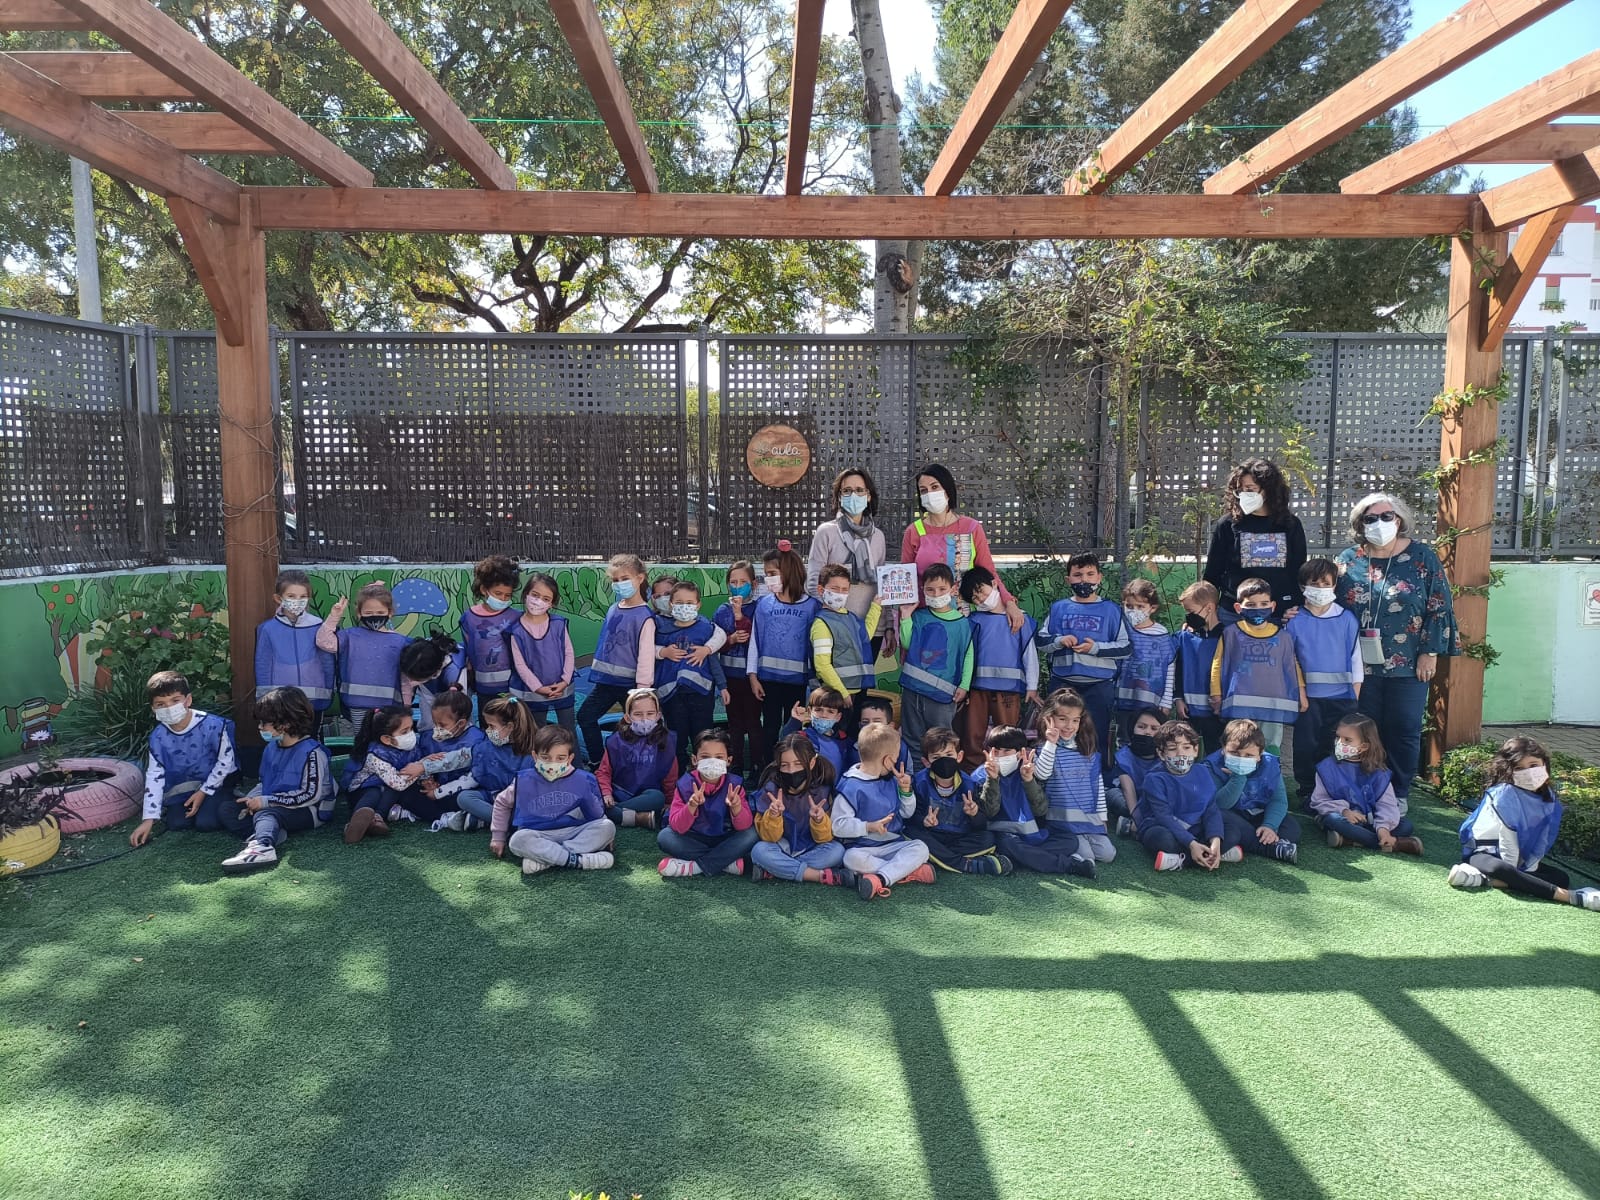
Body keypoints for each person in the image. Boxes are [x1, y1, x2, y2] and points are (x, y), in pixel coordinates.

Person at [1334, 492, 1459, 801]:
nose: (1379, 523)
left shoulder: (1422, 557)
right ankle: (1364, 787)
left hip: (1408, 661)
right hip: (1359, 663)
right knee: (1363, 728)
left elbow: (1439, 606)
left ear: (1400, 519)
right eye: (1370, 518)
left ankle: (1398, 792)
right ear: (1360, 524)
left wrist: (1429, 653)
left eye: (1386, 516)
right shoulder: (1349, 560)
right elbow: (1330, 606)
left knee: (1403, 727)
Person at [1449, 736, 1599, 909]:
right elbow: (1508, 841)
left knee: (1562, 877)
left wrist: (1529, 868)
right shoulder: (1504, 794)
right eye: (1519, 768)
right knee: (1502, 869)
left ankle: (1481, 880)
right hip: (1485, 855)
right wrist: (1516, 872)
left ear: (1544, 764)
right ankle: (1571, 897)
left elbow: (1543, 837)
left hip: (1521, 860)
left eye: (1534, 765)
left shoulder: (1548, 797)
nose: (1528, 772)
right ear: (1509, 772)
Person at [900, 463, 1027, 633]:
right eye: (923, 490)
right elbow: (904, 580)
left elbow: (989, 572)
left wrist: (1009, 602)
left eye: (935, 487)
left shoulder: (971, 528)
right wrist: (899, 623)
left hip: (964, 617)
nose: (929, 494)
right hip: (924, 619)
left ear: (948, 489)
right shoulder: (914, 532)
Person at [221, 686, 337, 872]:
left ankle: (263, 845)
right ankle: (274, 832)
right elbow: (265, 782)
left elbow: (310, 795)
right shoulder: (271, 748)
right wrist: (252, 799)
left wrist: (266, 802)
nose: (260, 727)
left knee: (268, 813)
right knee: (227, 809)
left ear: (286, 724)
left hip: (310, 810)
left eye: (264, 723)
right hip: (275, 803)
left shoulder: (312, 752)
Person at [1037, 552, 1129, 776]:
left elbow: (1125, 647)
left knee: (1094, 735)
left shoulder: (1112, 610)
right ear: (1068, 579)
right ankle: (1054, 778)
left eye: (1090, 574)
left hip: (1099, 686)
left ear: (1100, 577)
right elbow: (1040, 640)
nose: (1084, 580)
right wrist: (1059, 641)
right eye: (1077, 575)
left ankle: (1096, 781)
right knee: (1056, 733)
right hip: (1063, 685)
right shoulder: (1058, 608)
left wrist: (1095, 648)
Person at [129, 671, 243, 847]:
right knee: (177, 823)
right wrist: (149, 819)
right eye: (160, 704)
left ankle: (228, 799)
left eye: (175, 701)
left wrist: (204, 792)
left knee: (207, 823)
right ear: (153, 708)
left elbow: (226, 762)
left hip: (217, 783)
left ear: (188, 700)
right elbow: (155, 775)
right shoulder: (158, 737)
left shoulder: (214, 725)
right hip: (184, 786)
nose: (168, 708)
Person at [488, 724, 616, 875]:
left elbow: (597, 815)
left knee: (607, 826)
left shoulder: (582, 779)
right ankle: (579, 861)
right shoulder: (524, 780)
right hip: (538, 833)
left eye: (560, 758)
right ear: (535, 756)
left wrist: (608, 835)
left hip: (573, 830)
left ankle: (546, 860)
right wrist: (498, 837)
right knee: (517, 840)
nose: (552, 764)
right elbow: (502, 802)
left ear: (570, 759)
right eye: (546, 758)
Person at [1287, 557, 1362, 801]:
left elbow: (1355, 659)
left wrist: (1355, 697)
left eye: (1326, 583)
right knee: (1306, 747)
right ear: (1302, 587)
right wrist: (1299, 695)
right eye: (1314, 583)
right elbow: (1290, 662)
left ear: (1334, 586)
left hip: (1342, 699)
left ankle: (1334, 790)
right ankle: (1307, 791)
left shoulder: (1347, 619)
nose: (1320, 589)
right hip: (1308, 700)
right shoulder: (1293, 621)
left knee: (1336, 747)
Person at [832, 722, 934, 900]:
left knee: (921, 848)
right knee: (850, 859)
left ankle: (879, 878)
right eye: (896, 757)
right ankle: (905, 872)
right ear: (887, 760)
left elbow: (906, 813)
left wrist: (906, 792)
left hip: (893, 844)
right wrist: (868, 826)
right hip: (862, 848)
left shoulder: (892, 779)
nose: (897, 761)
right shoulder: (850, 786)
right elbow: (838, 826)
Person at [976, 724, 1094, 877]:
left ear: (1019, 753)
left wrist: (1029, 780)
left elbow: (1041, 810)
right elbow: (990, 812)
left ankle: (1018, 859)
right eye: (996, 751)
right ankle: (1069, 865)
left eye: (1006, 751)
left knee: (1070, 840)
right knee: (1009, 844)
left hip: (1031, 836)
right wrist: (992, 779)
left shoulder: (1027, 770)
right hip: (1003, 836)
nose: (1000, 756)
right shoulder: (980, 775)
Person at [1210, 577, 1306, 753]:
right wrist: (1216, 694)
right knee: (1239, 745)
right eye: (1251, 605)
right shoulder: (1230, 633)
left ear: (1273, 606)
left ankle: (1271, 779)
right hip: (1240, 703)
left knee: (1270, 748)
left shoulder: (1283, 636)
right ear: (1238, 608)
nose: (1258, 609)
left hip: (1273, 704)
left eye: (1264, 603)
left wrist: (1301, 693)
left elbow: (1291, 666)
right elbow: (1218, 663)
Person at [576, 553, 655, 767]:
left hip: (630, 687)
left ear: (640, 578)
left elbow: (647, 656)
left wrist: (642, 691)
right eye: (615, 580)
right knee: (585, 717)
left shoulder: (645, 616)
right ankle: (599, 764)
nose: (620, 584)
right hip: (606, 683)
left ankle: (645, 767)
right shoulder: (613, 608)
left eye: (625, 578)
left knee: (640, 728)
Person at [958, 565, 1040, 771]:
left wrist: (1032, 686)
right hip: (977, 689)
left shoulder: (1020, 619)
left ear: (995, 584)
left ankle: (1010, 772)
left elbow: (1030, 655)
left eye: (982, 592)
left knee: (1008, 734)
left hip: (1009, 690)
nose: (981, 600)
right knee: (972, 734)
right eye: (975, 599)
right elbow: (965, 657)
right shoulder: (973, 621)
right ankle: (974, 773)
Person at [1308, 714, 1424, 855]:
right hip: (1343, 818)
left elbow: (1387, 805)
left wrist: (1383, 829)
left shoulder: (1379, 772)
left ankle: (1352, 841)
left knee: (1405, 825)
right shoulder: (1326, 767)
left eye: (1347, 740)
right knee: (1334, 820)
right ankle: (1396, 844)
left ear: (1363, 746)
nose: (1339, 743)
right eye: (1338, 737)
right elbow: (1319, 801)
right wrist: (1344, 811)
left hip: (1370, 822)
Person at [1137, 720, 1244, 872]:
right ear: (1161, 754)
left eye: (1186, 747)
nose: (1180, 753)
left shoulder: (1202, 772)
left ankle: (1181, 859)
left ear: (1195, 750)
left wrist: (1215, 842)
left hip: (1195, 828)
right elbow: (1164, 817)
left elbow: (1211, 810)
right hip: (1163, 827)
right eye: (1172, 749)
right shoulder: (1154, 779)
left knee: (1232, 832)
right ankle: (1203, 855)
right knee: (1159, 838)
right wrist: (1191, 844)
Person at [1203, 458, 1307, 613]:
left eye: (1250, 489)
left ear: (1268, 489)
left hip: (1279, 612)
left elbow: (1298, 571)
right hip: (1235, 613)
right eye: (1240, 490)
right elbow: (1212, 573)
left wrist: (1296, 607)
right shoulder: (1227, 524)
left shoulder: (1290, 524)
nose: (1244, 495)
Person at [748, 541, 822, 755]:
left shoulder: (811, 607)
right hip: (768, 681)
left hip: (798, 683)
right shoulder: (764, 604)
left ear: (788, 571)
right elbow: (755, 641)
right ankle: (766, 767)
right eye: (766, 573)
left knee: (795, 729)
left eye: (772, 572)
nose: (767, 578)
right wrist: (752, 676)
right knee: (769, 727)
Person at [751, 734, 853, 887]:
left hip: (812, 847)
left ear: (811, 763)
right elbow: (768, 838)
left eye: (798, 764)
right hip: (780, 846)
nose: (791, 770)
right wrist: (773, 815)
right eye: (784, 765)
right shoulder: (770, 790)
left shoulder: (822, 790)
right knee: (759, 851)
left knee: (837, 851)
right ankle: (817, 876)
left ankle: (776, 870)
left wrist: (819, 820)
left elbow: (824, 839)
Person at [898, 564, 974, 765]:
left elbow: (968, 655)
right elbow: (907, 643)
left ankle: (943, 781)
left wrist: (964, 685)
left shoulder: (962, 622)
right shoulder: (919, 616)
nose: (936, 594)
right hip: (913, 690)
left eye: (941, 589)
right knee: (912, 740)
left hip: (943, 695)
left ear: (953, 589)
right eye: (930, 589)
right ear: (922, 590)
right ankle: (915, 783)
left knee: (943, 741)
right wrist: (905, 617)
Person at [808, 468, 890, 653]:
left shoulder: (878, 537)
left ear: (868, 495)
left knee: (862, 682)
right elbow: (814, 583)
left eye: (860, 490)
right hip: (835, 628)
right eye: (847, 490)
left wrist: (888, 627)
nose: (854, 495)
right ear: (839, 496)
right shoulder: (826, 532)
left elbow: (882, 586)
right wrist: (830, 620)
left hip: (871, 630)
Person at [909, 726, 1010, 875]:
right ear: (926, 762)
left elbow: (980, 824)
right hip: (931, 835)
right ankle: (965, 865)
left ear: (959, 756)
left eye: (949, 754)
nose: (944, 761)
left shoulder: (969, 784)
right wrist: (923, 820)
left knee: (987, 838)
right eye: (936, 757)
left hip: (958, 838)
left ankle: (936, 857)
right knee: (910, 833)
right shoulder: (919, 782)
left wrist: (974, 814)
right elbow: (912, 817)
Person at [658, 728, 758, 878]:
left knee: (752, 833)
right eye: (705, 756)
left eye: (719, 757)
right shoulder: (685, 785)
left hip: (726, 836)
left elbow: (744, 826)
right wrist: (691, 806)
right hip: (694, 838)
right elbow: (676, 826)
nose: (712, 761)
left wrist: (736, 807)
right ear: (694, 760)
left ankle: (695, 867)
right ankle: (726, 862)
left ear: (728, 761)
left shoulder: (735, 784)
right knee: (665, 837)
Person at [1032, 688, 1115, 863]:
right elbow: (1042, 774)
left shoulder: (1087, 751)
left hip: (1088, 820)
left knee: (1108, 855)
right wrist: (1051, 743)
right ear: (1049, 719)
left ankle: (1083, 840)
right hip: (1060, 822)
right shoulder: (1044, 748)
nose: (1069, 726)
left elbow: (1097, 786)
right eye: (1062, 719)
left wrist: (1102, 817)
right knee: (1087, 856)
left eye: (1075, 720)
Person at [653, 579, 727, 769]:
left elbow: (713, 658)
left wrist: (723, 686)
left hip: (701, 694)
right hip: (672, 696)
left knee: (702, 738)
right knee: (676, 740)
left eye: (689, 603)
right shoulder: (659, 627)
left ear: (698, 604)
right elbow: (644, 649)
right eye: (678, 603)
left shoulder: (705, 627)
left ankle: (705, 778)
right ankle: (678, 783)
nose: (684, 607)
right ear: (671, 604)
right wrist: (663, 651)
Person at [1207, 719, 1300, 864]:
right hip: (1232, 815)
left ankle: (1255, 840)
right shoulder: (1211, 766)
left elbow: (1278, 800)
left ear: (1260, 753)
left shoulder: (1270, 764)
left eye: (1249, 755)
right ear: (1223, 748)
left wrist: (1270, 826)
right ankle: (1269, 848)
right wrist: (1238, 778)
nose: (1241, 758)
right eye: (1234, 752)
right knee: (1221, 818)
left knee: (1291, 828)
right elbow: (1220, 804)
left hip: (1257, 814)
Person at [317, 582, 407, 730]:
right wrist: (334, 616)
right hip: (356, 704)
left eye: (380, 613)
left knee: (385, 741)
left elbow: (406, 678)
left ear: (390, 612)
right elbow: (324, 642)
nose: (374, 617)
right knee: (362, 741)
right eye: (369, 613)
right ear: (359, 613)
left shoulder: (400, 641)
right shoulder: (349, 636)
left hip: (389, 707)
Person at [254, 569, 334, 724]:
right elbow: (262, 664)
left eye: (303, 596)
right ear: (278, 598)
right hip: (280, 701)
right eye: (291, 596)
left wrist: (328, 692)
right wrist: (265, 697)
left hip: (314, 700)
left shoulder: (318, 625)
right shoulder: (268, 629)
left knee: (311, 739)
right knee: (283, 739)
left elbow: (327, 662)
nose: (298, 601)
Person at [596, 687, 679, 830]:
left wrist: (669, 802)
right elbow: (603, 772)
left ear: (658, 716)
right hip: (618, 794)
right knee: (596, 795)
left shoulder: (666, 741)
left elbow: (670, 776)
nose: (645, 719)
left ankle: (608, 812)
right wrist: (606, 794)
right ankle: (637, 818)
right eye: (638, 714)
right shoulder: (616, 741)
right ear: (628, 717)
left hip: (648, 797)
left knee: (657, 797)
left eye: (650, 713)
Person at [341, 704, 425, 844]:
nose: (411, 734)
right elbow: (398, 783)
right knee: (375, 792)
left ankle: (376, 819)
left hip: (388, 785)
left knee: (389, 791)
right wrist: (422, 767)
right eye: (405, 731)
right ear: (386, 739)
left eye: (411, 728)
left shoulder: (411, 748)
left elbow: (406, 774)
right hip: (362, 791)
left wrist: (425, 778)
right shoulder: (375, 754)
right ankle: (355, 822)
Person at [812, 562, 882, 724]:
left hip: (855, 691)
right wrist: (843, 693)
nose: (840, 594)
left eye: (845, 589)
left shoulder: (850, 617)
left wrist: (876, 606)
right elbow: (822, 665)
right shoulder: (821, 624)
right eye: (835, 589)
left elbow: (865, 636)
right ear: (821, 590)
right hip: (835, 697)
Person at [508, 571, 576, 732]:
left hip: (563, 690)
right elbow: (520, 665)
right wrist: (538, 688)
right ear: (526, 594)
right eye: (535, 595)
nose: (538, 602)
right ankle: (539, 758)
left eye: (546, 599)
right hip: (533, 695)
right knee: (536, 732)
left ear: (551, 603)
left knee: (568, 731)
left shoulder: (558, 624)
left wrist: (564, 681)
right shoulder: (516, 630)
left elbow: (569, 653)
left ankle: (572, 758)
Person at [455, 695, 536, 829]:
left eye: (492, 726)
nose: (488, 731)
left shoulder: (531, 753)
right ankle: (503, 822)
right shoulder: (490, 744)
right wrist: (425, 766)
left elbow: (526, 792)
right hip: (495, 796)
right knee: (464, 798)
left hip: (518, 801)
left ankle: (494, 820)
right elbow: (465, 755)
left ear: (510, 727)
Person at [713, 560, 763, 773]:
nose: (738, 585)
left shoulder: (761, 607)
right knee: (734, 723)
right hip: (730, 677)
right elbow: (713, 643)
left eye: (743, 581)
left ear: (753, 584)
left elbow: (760, 637)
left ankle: (756, 767)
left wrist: (740, 615)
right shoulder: (722, 610)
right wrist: (730, 640)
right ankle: (735, 767)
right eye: (733, 581)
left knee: (753, 723)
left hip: (754, 678)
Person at [1114, 577, 1175, 740]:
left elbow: (1168, 667)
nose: (1134, 611)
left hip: (1151, 703)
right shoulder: (1121, 629)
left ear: (1152, 608)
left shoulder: (1161, 634)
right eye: (1129, 606)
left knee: (1149, 739)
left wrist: (1166, 702)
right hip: (1122, 700)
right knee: (1124, 737)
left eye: (1140, 606)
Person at [415, 690, 485, 829]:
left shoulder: (477, 740)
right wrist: (427, 782)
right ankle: (449, 817)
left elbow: (474, 777)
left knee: (466, 798)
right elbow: (422, 760)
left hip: (459, 789)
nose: (437, 729)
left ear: (461, 723)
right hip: (436, 789)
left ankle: (445, 815)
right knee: (409, 793)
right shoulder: (430, 737)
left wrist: (441, 792)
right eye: (435, 723)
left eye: (442, 725)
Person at [459, 555, 522, 702]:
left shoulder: (517, 616)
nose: (503, 599)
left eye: (508, 595)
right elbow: (470, 649)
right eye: (498, 594)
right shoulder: (468, 617)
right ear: (483, 590)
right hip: (483, 687)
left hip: (513, 687)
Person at [1173, 581, 1226, 754]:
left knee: (1216, 754)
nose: (1188, 616)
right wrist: (1178, 697)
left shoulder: (1228, 636)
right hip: (1189, 711)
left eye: (1191, 611)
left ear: (1209, 608)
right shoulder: (1185, 636)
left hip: (1217, 712)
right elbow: (1178, 668)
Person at [398, 631, 465, 735]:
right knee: (428, 722)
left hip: (454, 687)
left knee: (453, 718)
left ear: (435, 672)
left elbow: (462, 708)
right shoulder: (413, 654)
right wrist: (406, 710)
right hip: (429, 686)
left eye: (415, 680)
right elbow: (406, 687)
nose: (411, 683)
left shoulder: (455, 671)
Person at [780, 687, 855, 779]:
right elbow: (784, 743)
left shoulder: (844, 740)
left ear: (838, 717)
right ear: (810, 711)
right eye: (818, 710)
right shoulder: (803, 737)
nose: (824, 715)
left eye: (830, 711)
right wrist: (794, 721)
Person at [1111, 706, 1164, 836]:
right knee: (1115, 798)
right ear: (1132, 728)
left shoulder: (1166, 756)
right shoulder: (1124, 756)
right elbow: (1127, 790)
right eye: (1142, 727)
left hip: (1154, 799)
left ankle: (1130, 826)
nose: (1147, 732)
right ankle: (1136, 823)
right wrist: (1138, 819)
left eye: (1154, 729)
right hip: (1129, 796)